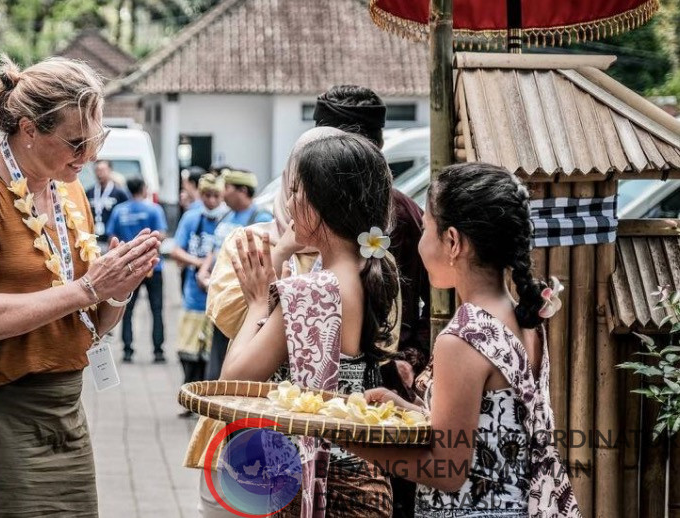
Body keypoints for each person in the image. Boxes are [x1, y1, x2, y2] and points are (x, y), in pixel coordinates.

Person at [0, 55, 161, 518]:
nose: (90, 156)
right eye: (76, 141)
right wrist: (88, 288)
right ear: (28, 129)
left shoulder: (68, 190)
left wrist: (120, 288)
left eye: (97, 139)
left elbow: (90, 327)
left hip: (66, 411)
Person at [349, 163, 580, 518]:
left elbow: (447, 471)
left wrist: (351, 440)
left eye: (427, 228)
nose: (422, 240)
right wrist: (408, 410)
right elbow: (487, 432)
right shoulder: (525, 319)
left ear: (453, 241)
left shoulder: (462, 338)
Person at [222, 133, 400, 517]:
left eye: (297, 191)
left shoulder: (313, 289)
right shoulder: (371, 271)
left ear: (319, 206)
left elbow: (233, 381)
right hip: (363, 475)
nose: (289, 201)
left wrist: (256, 303)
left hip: (321, 484)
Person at [314, 85, 430, 362]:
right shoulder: (309, 212)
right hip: (319, 364)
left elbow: (440, 296)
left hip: (386, 377)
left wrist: (412, 356)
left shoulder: (401, 214)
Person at [196, 168, 273, 381]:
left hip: (241, 299)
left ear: (242, 190)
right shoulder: (227, 215)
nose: (222, 192)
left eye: (227, 187)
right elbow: (215, 249)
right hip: (222, 296)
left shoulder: (261, 217)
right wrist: (204, 270)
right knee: (216, 353)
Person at [170, 173, 227, 414]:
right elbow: (175, 250)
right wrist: (199, 262)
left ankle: (206, 401)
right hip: (194, 297)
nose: (211, 201)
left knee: (210, 356)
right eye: (207, 196)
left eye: (216, 196)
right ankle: (189, 399)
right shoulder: (191, 217)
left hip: (219, 299)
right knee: (188, 352)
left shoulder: (228, 219)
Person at [106, 177, 167, 364]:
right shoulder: (154, 209)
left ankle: (127, 350)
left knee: (126, 309)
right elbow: (161, 235)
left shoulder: (119, 210)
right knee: (156, 309)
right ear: (144, 188)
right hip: (153, 266)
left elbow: (112, 236)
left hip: (129, 267)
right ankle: (158, 351)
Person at [86, 159, 129, 244]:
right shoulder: (89, 192)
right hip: (94, 238)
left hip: (113, 238)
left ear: (110, 170)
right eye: (97, 170)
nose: (99, 173)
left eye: (102, 170)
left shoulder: (119, 192)